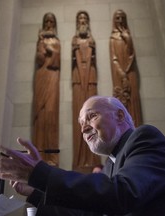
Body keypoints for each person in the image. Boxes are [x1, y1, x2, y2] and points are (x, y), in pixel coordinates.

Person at [0, 96, 165, 215]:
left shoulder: (144, 138)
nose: (83, 130)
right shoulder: (111, 165)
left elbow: (123, 195)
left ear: (119, 115)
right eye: (81, 124)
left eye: (91, 117)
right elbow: (86, 212)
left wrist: (42, 174)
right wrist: (36, 192)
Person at [71, 10, 100, 173]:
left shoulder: (91, 40)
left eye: (84, 19)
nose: (82, 21)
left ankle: (93, 158)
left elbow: (91, 60)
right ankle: (80, 158)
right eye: (80, 19)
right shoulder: (74, 40)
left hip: (90, 80)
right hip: (78, 81)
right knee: (80, 115)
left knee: (93, 113)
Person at [33, 12, 60, 166]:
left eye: (51, 21)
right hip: (41, 76)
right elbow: (40, 60)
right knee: (40, 115)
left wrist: (49, 48)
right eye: (46, 21)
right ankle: (39, 155)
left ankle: (51, 157)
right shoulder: (41, 41)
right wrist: (41, 46)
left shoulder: (56, 41)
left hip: (53, 76)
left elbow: (56, 62)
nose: (49, 24)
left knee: (50, 113)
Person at [110, 9, 143, 127]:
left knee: (133, 99)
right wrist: (121, 73)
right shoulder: (113, 38)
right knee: (122, 101)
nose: (120, 21)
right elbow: (114, 58)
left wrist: (128, 39)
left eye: (122, 18)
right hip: (119, 74)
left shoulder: (127, 36)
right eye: (117, 18)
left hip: (130, 72)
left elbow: (131, 54)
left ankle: (137, 127)